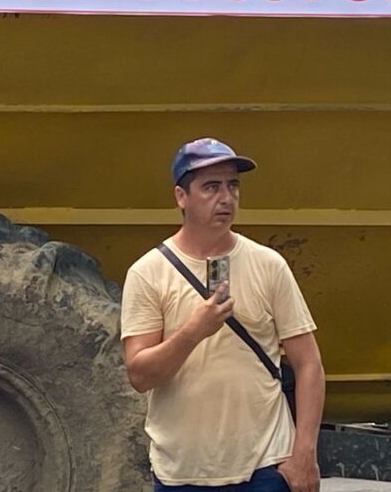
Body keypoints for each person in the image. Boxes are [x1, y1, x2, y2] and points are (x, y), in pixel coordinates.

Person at [121, 138, 325, 492]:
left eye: (232, 186)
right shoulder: (148, 273)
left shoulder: (268, 265)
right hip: (182, 473)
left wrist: (303, 454)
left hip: (263, 467)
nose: (226, 198)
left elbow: (308, 363)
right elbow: (139, 375)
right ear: (181, 197)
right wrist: (194, 331)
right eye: (211, 187)